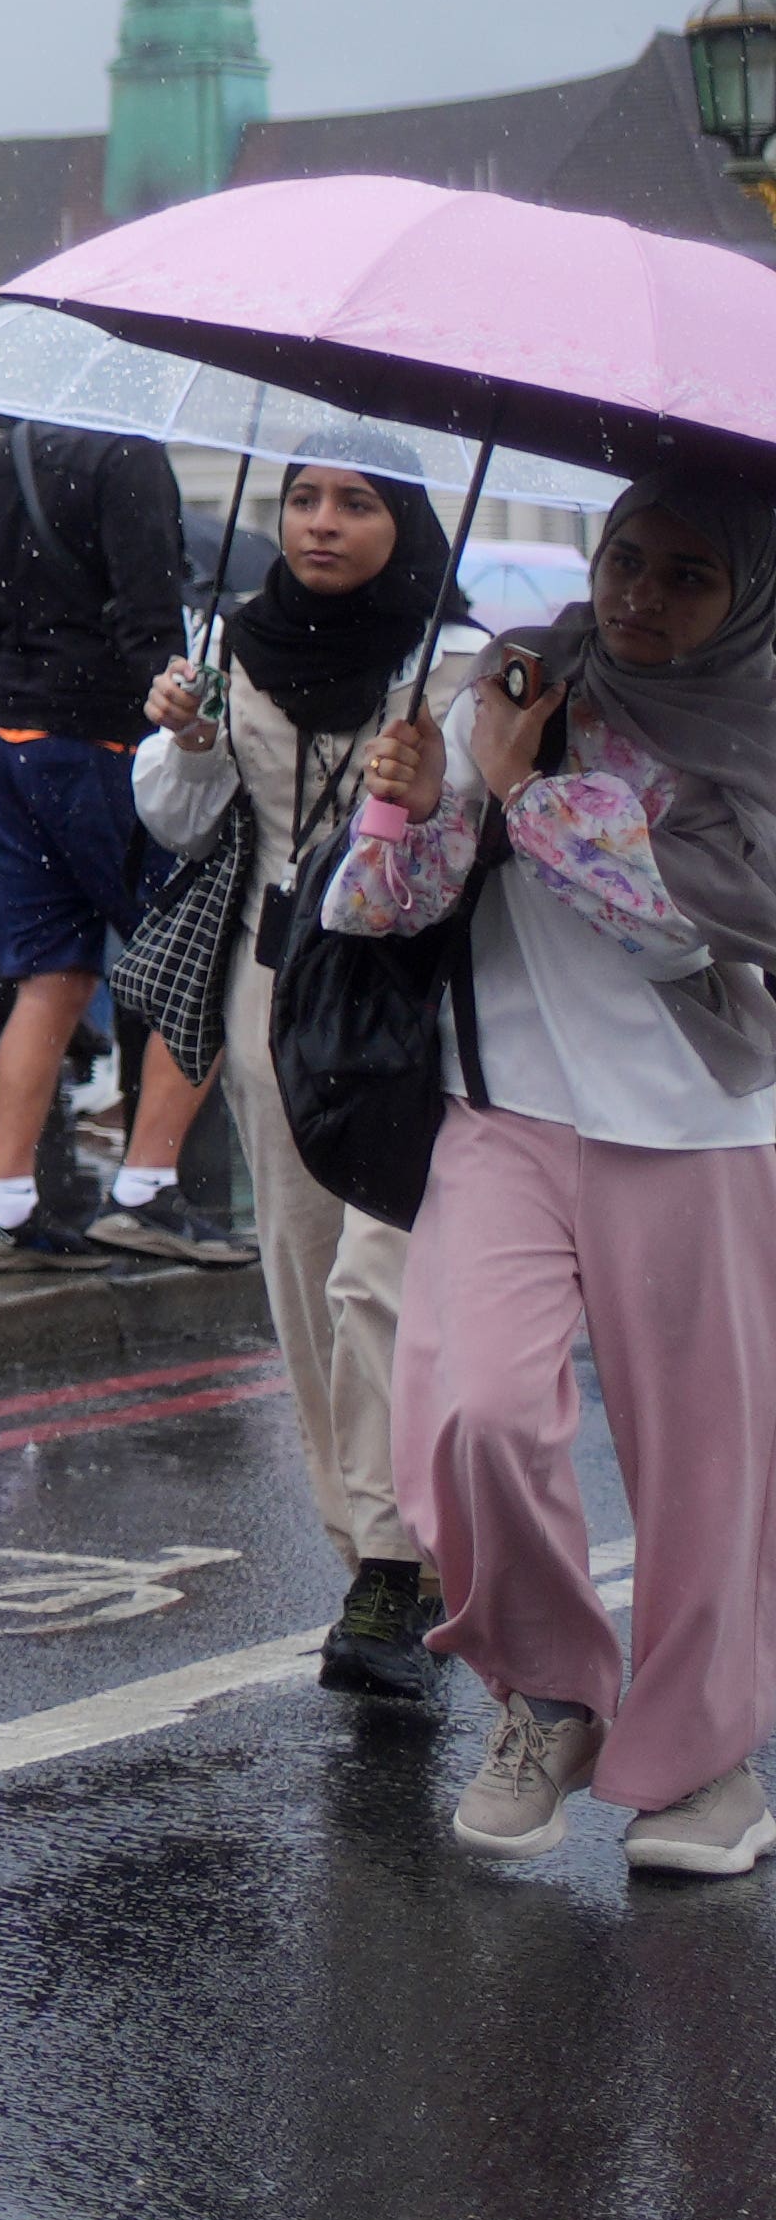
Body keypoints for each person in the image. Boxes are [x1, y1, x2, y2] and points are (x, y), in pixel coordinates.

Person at [335, 472, 776, 1875]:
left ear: (750, 597)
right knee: (471, 1416)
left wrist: (527, 787)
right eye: (626, 558)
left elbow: (675, 933)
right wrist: (404, 805)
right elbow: (382, 912)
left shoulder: (758, 732)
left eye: (686, 577)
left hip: (701, 1126)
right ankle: (554, 1695)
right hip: (501, 1105)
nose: (639, 598)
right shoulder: (515, 681)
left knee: (707, 1476)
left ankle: (706, 1770)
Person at [133, 447, 462, 1700]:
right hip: (275, 991)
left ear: (406, 519)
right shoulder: (225, 639)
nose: (323, 524)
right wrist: (189, 741)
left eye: (358, 503)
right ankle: (365, 1543)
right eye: (305, 499)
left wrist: (427, 797)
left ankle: (397, 1555)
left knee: (382, 1273)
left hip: (408, 995)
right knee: (303, 1266)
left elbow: (482, 835)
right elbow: (174, 821)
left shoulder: (454, 657)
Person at [0, 420, 251, 1271]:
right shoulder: (130, 458)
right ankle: (146, 1191)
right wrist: (166, 700)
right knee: (198, 959)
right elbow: (149, 618)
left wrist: (30, 691)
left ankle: (5, 1205)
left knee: (51, 975)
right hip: (107, 743)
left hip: (11, 738)